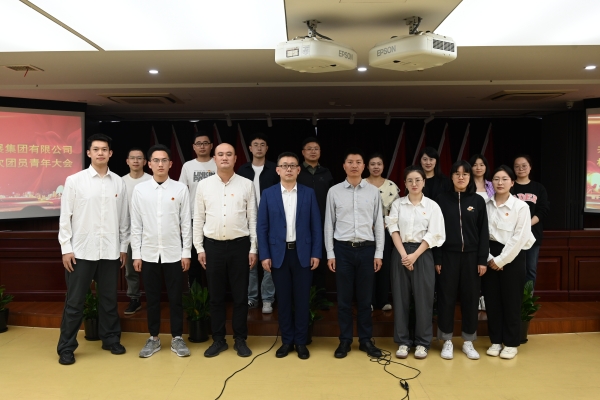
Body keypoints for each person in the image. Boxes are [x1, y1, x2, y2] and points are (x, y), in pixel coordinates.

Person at [57, 133, 129, 365]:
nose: (100, 153)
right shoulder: (74, 180)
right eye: (96, 149)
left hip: (110, 251)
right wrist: (66, 248)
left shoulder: (118, 182)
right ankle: (66, 347)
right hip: (81, 252)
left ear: (110, 153)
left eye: (104, 149)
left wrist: (123, 247)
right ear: (88, 153)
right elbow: (65, 217)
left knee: (109, 300)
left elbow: (124, 219)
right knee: (75, 302)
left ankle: (111, 339)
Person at [194, 143, 257, 358]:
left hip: (240, 246)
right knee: (216, 297)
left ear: (235, 158)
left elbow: (253, 219)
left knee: (240, 296)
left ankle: (240, 339)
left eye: (229, 154)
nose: (224, 158)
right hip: (213, 247)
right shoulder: (204, 185)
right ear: (214, 158)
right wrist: (199, 248)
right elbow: (198, 219)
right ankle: (218, 340)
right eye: (220, 154)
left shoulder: (247, 184)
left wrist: (253, 248)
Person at [257, 152, 322, 360]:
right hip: (278, 255)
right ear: (277, 170)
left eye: (292, 165)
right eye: (284, 165)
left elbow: (316, 226)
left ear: (298, 170)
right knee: (283, 301)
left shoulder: (308, 193)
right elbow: (262, 227)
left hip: (303, 254)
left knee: (302, 301)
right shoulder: (268, 194)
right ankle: (286, 341)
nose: (288, 169)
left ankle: (301, 342)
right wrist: (264, 255)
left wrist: (316, 252)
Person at [131, 144, 192, 358]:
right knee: (152, 298)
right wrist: (136, 254)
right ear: (149, 164)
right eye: (155, 160)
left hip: (174, 253)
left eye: (164, 160)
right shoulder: (140, 190)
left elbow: (186, 223)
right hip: (148, 254)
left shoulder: (180, 189)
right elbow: (136, 224)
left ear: (170, 164)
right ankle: (154, 338)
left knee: (176, 298)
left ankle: (177, 337)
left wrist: (186, 253)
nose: (160, 164)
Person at [325, 149, 385, 359]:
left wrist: (379, 253)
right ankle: (345, 340)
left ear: (363, 166)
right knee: (344, 299)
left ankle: (366, 340)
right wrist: (330, 253)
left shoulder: (373, 192)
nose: (354, 165)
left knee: (365, 299)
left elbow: (379, 224)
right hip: (342, 250)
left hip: (367, 249)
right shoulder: (334, 191)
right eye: (350, 162)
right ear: (344, 166)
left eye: (358, 162)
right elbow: (329, 224)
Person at [387, 167, 445, 360]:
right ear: (404, 183)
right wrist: (405, 255)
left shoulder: (432, 206)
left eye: (418, 180)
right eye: (410, 180)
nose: (414, 184)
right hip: (401, 252)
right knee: (400, 299)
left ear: (424, 182)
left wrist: (414, 256)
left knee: (424, 300)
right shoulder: (398, 204)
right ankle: (403, 342)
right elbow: (393, 229)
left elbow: (435, 233)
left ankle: (422, 343)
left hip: (423, 253)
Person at [433, 160, 489, 360]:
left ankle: (468, 341)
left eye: (465, 174)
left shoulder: (478, 201)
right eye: (457, 173)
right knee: (446, 297)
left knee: (471, 298)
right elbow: (436, 231)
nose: (461, 177)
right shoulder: (441, 200)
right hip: (448, 256)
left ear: (470, 177)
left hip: (472, 258)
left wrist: (482, 260)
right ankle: (446, 340)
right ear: (451, 177)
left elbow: (483, 232)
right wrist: (438, 258)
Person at [483, 165, 536, 360]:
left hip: (513, 256)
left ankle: (511, 343)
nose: (500, 182)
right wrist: (490, 258)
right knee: (492, 301)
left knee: (512, 301)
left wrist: (501, 260)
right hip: (489, 255)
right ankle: (496, 341)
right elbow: (480, 234)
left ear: (512, 183)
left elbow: (520, 237)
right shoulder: (485, 205)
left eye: (504, 179)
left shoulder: (521, 207)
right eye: (496, 179)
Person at [236, 132, 279, 314]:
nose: (259, 148)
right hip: (247, 221)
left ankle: (268, 299)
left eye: (262, 144)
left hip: (271, 221)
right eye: (255, 144)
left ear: (267, 148)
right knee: (250, 261)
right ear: (250, 148)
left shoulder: (275, 169)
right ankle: (251, 297)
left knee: (269, 260)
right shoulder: (242, 170)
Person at [297, 136, 335, 308]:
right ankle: (303, 299)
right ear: (303, 152)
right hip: (300, 224)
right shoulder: (297, 172)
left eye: (316, 149)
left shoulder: (326, 173)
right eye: (309, 148)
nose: (313, 151)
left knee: (320, 261)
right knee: (302, 262)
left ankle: (320, 298)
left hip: (322, 223)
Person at [179, 131, 217, 287]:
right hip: (193, 219)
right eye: (198, 144)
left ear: (211, 146)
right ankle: (197, 298)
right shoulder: (188, 166)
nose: (202, 146)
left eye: (205, 143)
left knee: (213, 261)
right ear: (193, 147)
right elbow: (181, 194)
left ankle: (214, 295)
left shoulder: (218, 163)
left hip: (215, 218)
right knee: (194, 260)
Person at [365, 153, 399, 311]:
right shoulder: (361, 184)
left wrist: (384, 224)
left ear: (383, 166)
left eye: (379, 164)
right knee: (367, 266)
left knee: (383, 265)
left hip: (385, 230)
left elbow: (396, 210)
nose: (376, 167)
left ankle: (383, 300)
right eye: (372, 164)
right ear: (367, 166)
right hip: (364, 231)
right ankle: (369, 301)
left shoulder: (391, 186)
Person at [511, 155, 550, 289]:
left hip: (532, 235)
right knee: (512, 269)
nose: (520, 169)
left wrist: (526, 224)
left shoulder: (538, 188)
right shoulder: (509, 187)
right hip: (511, 235)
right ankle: (513, 299)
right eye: (517, 166)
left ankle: (527, 300)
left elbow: (543, 210)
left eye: (524, 166)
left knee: (530, 270)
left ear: (530, 167)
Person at [121, 147, 152, 315]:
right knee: (130, 271)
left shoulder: (151, 180)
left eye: (139, 158)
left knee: (150, 269)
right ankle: (134, 299)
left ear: (145, 162)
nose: (135, 161)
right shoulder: (120, 182)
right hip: (128, 233)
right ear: (127, 161)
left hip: (149, 233)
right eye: (132, 158)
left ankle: (153, 299)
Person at [469, 153, 494, 311]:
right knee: (475, 266)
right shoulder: (467, 184)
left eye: (482, 164)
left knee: (489, 264)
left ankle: (486, 297)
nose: (478, 168)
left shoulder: (492, 185)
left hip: (492, 229)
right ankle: (476, 297)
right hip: (473, 230)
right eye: (475, 164)